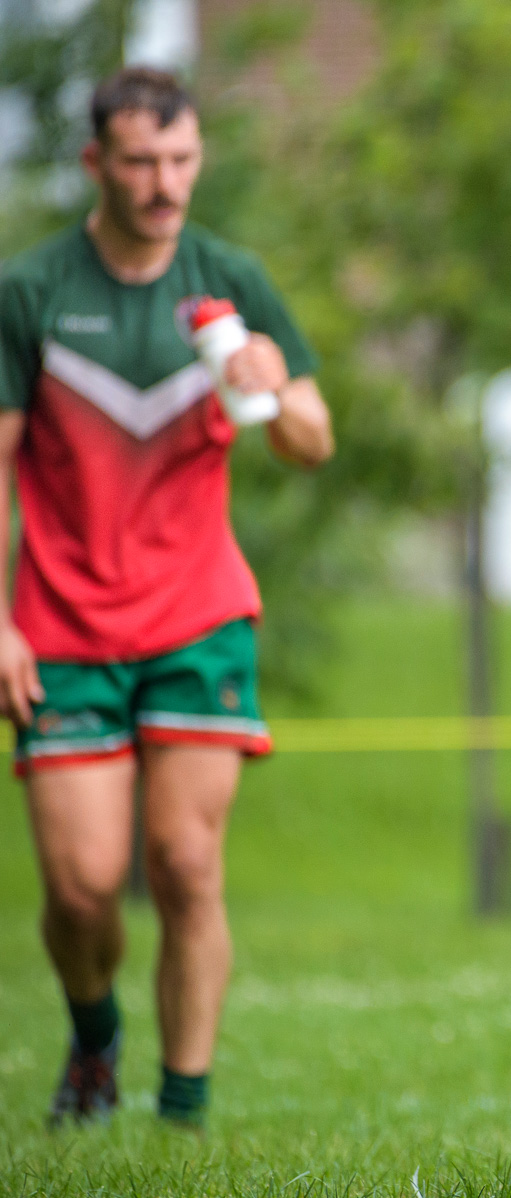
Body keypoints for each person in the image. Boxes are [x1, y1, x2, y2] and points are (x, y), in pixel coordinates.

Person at [0, 67, 334, 1128]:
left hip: (198, 614)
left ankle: (180, 1117)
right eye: (141, 162)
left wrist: (276, 387)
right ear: (97, 162)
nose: (164, 183)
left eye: (181, 161)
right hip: (58, 624)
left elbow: (312, 442)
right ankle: (95, 1035)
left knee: (187, 865)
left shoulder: (231, 276)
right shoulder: (31, 291)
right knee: (84, 888)